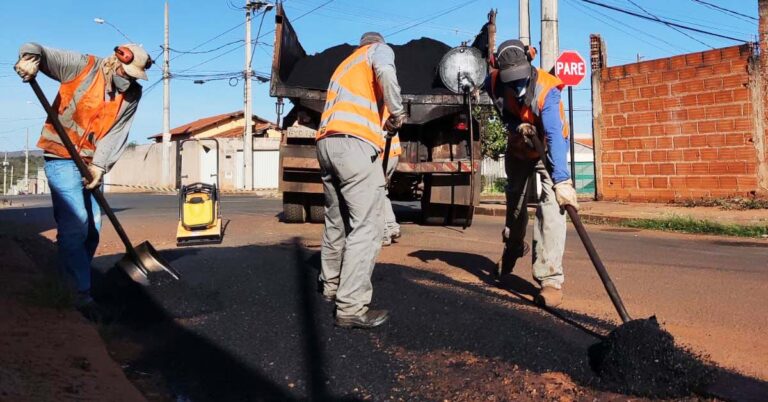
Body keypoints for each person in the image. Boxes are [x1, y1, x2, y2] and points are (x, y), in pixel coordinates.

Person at [14, 43, 150, 314]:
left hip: (90, 164)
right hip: (60, 157)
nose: (129, 80)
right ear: (116, 60)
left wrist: (100, 166)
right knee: (76, 224)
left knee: (92, 230)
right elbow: (36, 49)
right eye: (128, 73)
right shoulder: (82, 66)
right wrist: (29, 59)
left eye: (134, 77)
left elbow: (117, 133)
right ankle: (78, 294)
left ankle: (72, 279)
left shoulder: (132, 94)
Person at [315, 32, 406, 328]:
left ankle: (330, 286)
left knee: (336, 220)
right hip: (354, 147)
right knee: (367, 226)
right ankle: (351, 306)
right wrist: (397, 111)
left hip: (326, 145)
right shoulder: (378, 51)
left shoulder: (344, 66)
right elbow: (386, 71)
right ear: (375, 43)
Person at [485, 39, 578, 308]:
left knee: (552, 206)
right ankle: (513, 247)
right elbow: (504, 115)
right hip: (519, 148)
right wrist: (518, 125)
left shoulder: (547, 90)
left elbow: (553, 135)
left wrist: (561, 180)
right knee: (515, 204)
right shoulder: (493, 83)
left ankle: (550, 279)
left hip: (549, 150)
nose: (516, 85)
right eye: (510, 79)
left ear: (530, 63)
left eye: (520, 77)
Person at [382, 132, 401, 247]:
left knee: (374, 195)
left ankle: (384, 234)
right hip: (392, 154)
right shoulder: (387, 113)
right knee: (381, 193)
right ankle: (392, 227)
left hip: (382, 155)